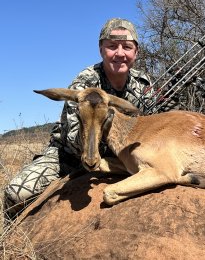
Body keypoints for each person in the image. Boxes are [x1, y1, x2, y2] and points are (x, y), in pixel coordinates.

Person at [3, 18, 158, 221]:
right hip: (69, 157)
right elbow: (73, 141)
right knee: (16, 194)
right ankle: (10, 239)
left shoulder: (143, 85)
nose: (120, 53)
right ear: (101, 49)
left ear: (135, 52)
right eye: (112, 46)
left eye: (127, 47)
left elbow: (149, 127)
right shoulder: (85, 83)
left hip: (119, 158)